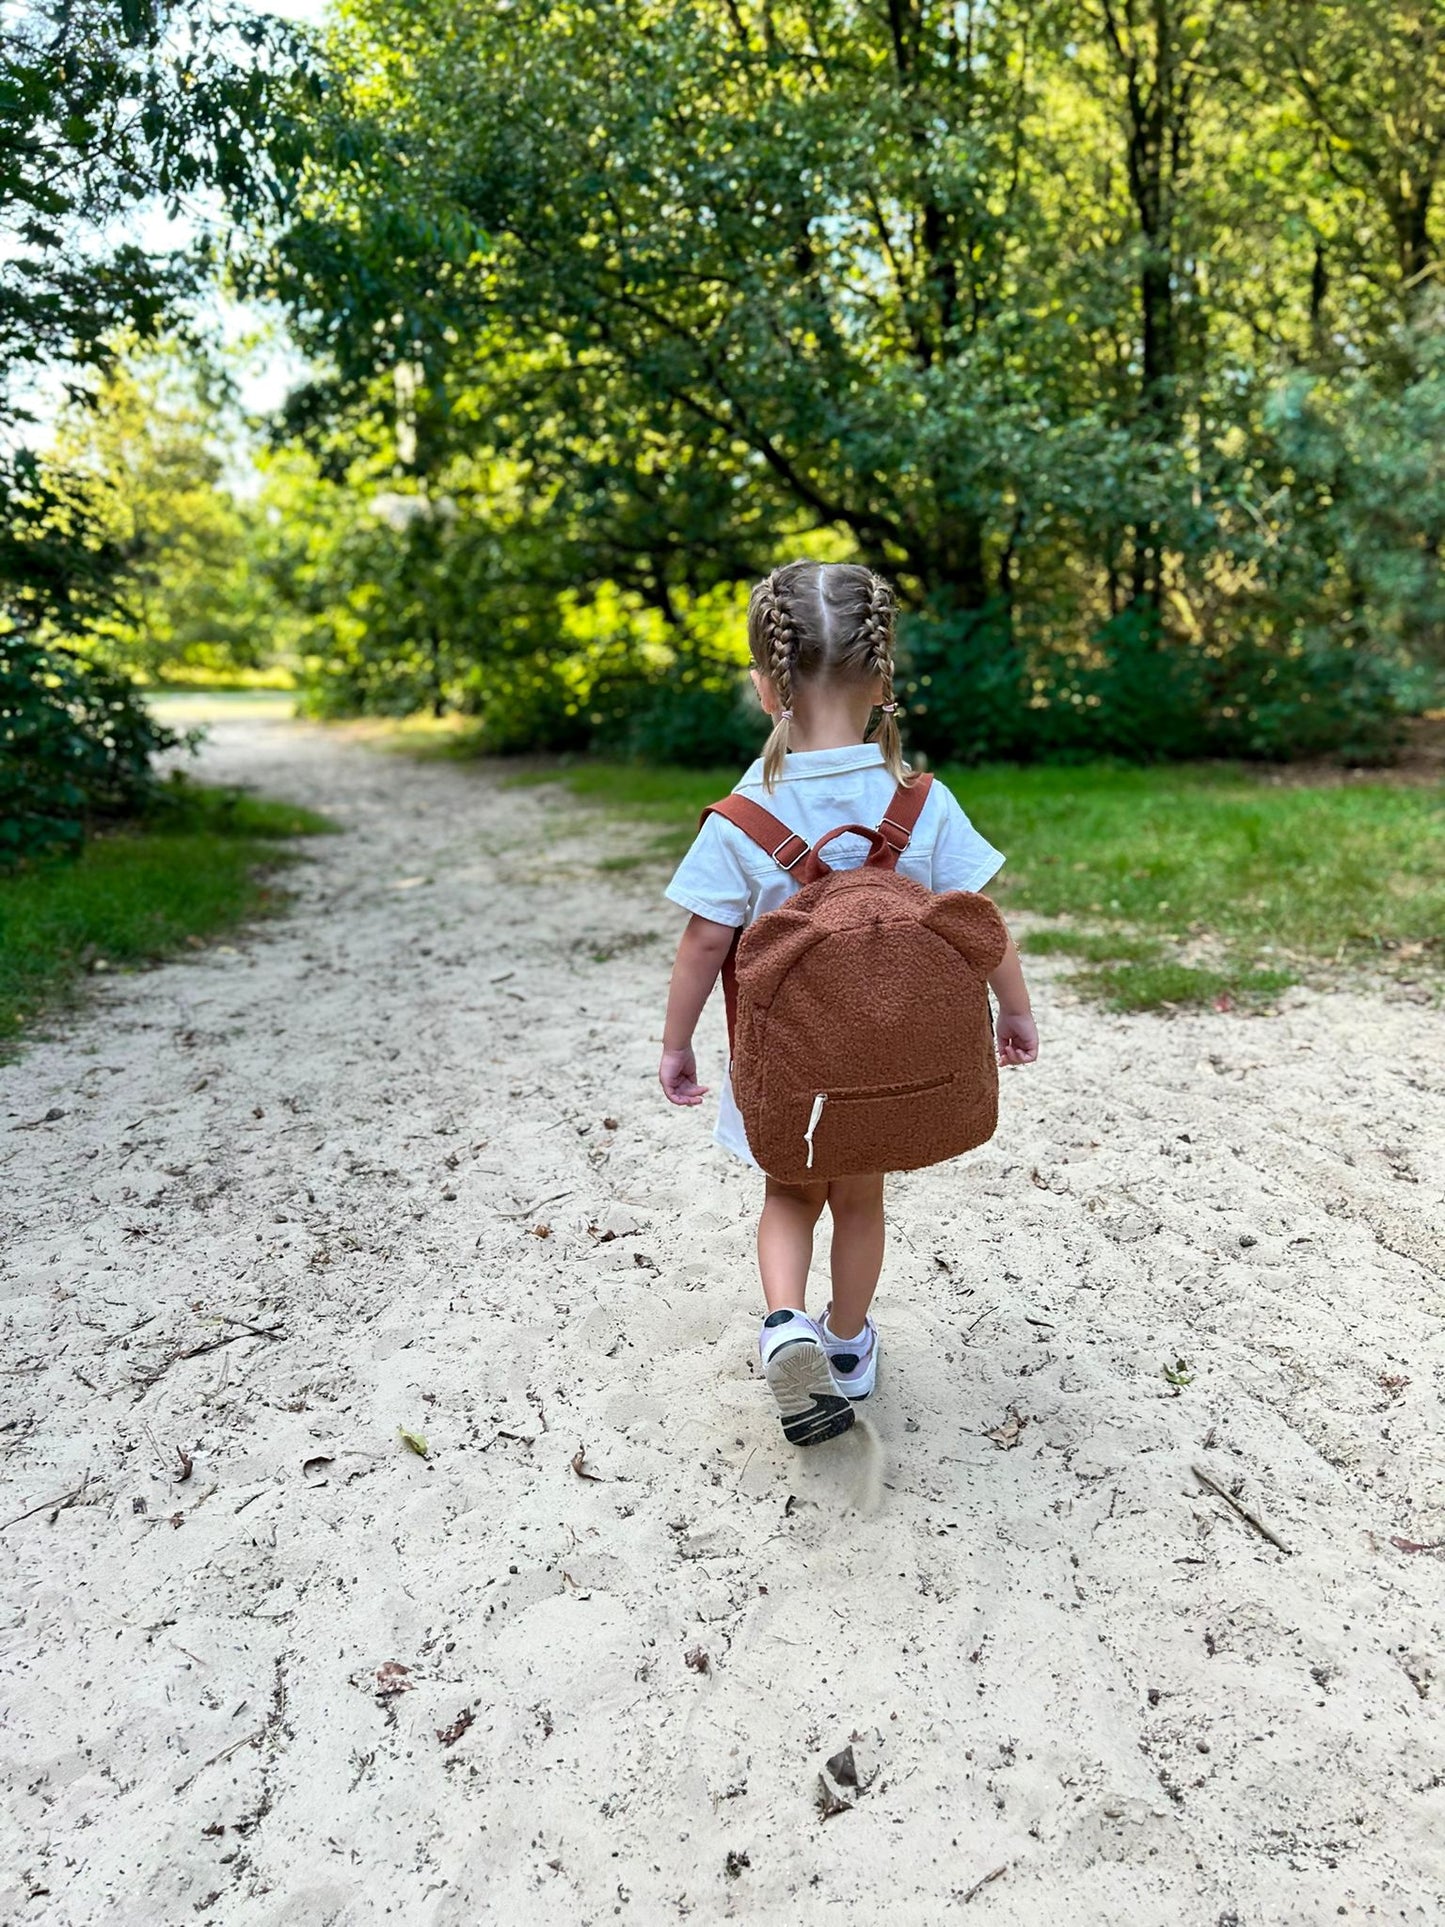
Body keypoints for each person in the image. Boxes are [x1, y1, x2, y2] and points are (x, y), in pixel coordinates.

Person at [658, 559, 1039, 1446]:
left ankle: (784, 1322)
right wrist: (1012, 1012)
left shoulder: (740, 818)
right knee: (859, 1199)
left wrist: (675, 1041)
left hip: (790, 1069)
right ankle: (847, 1341)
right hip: (887, 1072)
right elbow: (981, 924)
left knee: (789, 1195)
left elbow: (703, 945)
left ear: (766, 686)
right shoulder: (920, 801)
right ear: (883, 681)